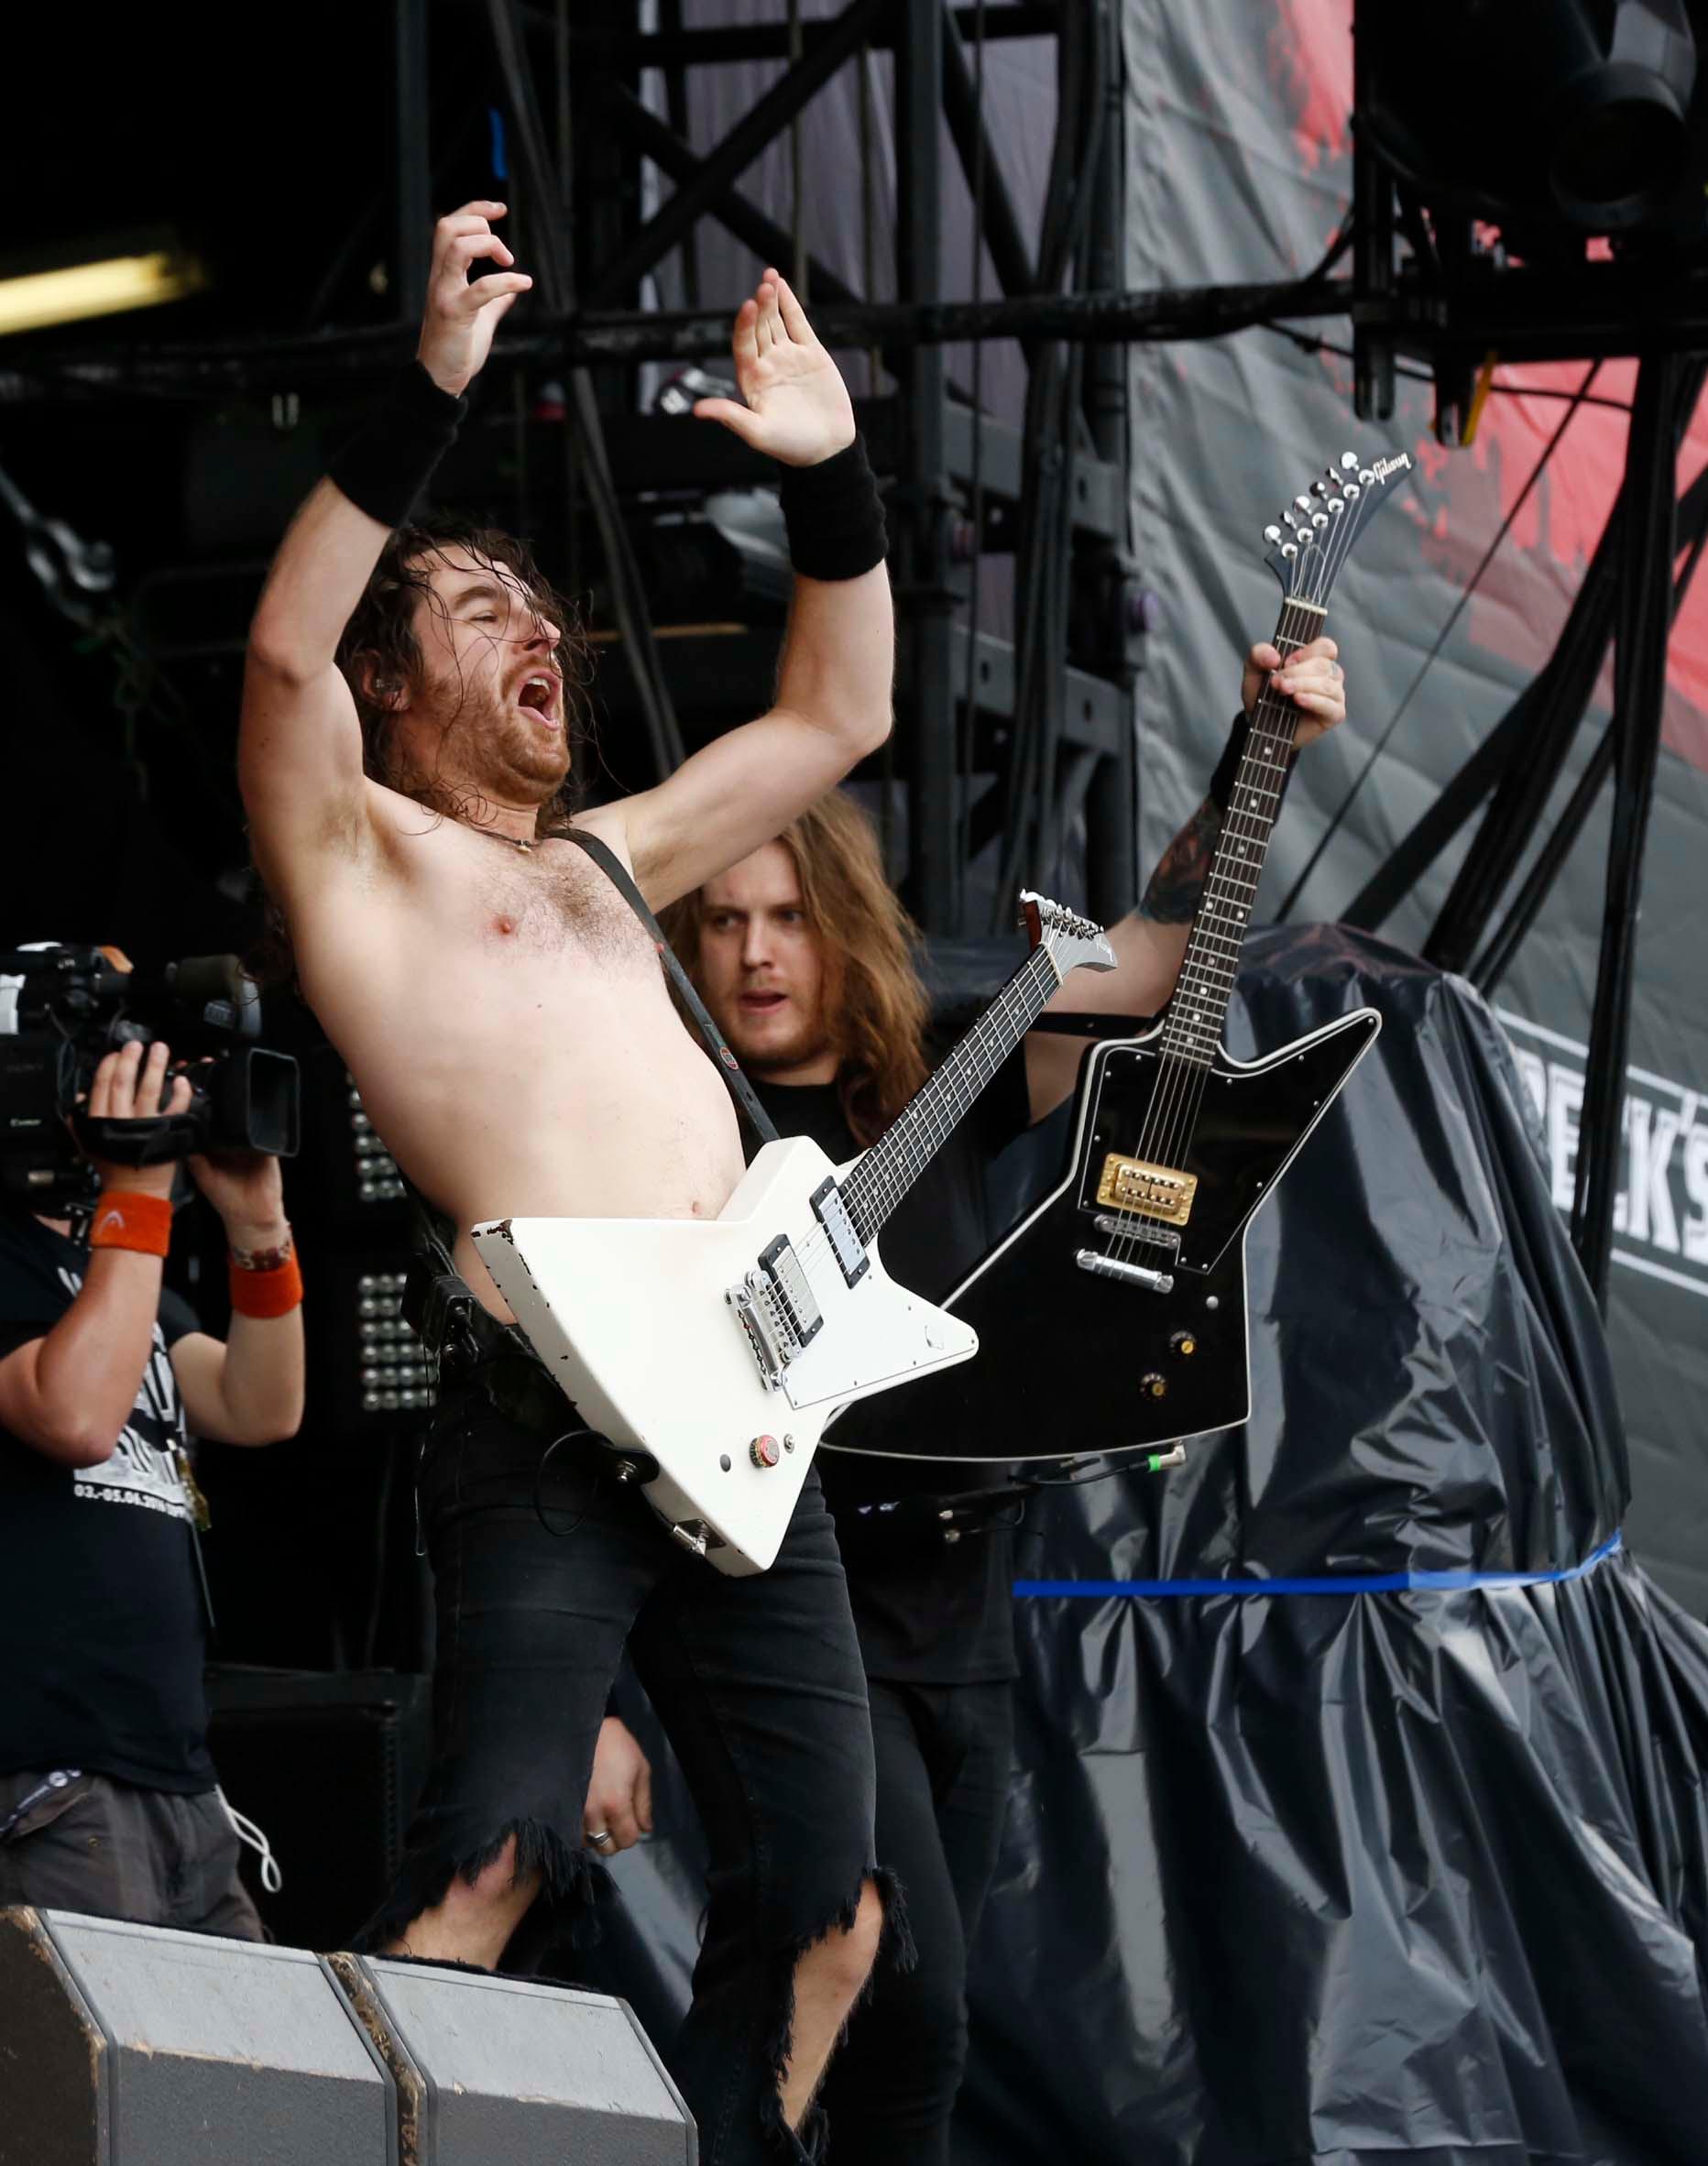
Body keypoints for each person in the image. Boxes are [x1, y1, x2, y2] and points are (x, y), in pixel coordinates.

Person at [239, 202, 896, 2166]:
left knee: (832, 1919)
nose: (537, 628)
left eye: (543, 604)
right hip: (543, 1422)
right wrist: (428, 384)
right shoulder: (362, 864)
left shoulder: (607, 860)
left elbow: (838, 712)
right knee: (491, 1871)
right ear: (398, 691)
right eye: (474, 612)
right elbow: (279, 659)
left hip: (740, 1428)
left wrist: (832, 465)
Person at [650, 638, 1347, 2163]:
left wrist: (1259, 753)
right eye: (720, 920)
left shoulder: (935, 1076)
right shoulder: (672, 1114)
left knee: (920, 2020)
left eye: (783, 916)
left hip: (960, 1605)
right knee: (858, 1949)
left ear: (839, 926)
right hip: (792, 1602)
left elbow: (1154, 955)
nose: (755, 951)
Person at [0, 1029, 305, 1935]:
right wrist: (138, 1196)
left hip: (182, 1788)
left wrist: (257, 1230)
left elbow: (261, 1406)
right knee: (92, 2078)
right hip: (56, 1780)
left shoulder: (130, 1287)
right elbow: (77, 1417)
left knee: (247, 2074)